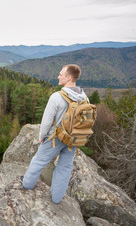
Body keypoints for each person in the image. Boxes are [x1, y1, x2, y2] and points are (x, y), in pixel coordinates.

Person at [21, 64, 88, 204]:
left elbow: (46, 121)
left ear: (69, 78)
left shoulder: (57, 97)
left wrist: (41, 136)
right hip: (74, 138)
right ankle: (57, 198)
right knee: (64, 167)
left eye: (61, 74)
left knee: (39, 160)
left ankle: (27, 184)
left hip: (56, 138)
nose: (58, 76)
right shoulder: (84, 96)